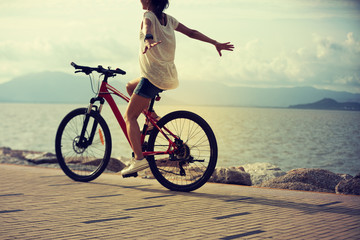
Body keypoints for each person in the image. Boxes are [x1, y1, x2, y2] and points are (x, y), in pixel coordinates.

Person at [121, 0, 234, 176]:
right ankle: (151, 120)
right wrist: (214, 43)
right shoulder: (169, 19)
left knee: (129, 117)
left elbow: (147, 27)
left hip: (153, 77)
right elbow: (191, 32)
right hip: (168, 76)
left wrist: (148, 38)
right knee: (130, 87)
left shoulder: (148, 16)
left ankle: (138, 160)